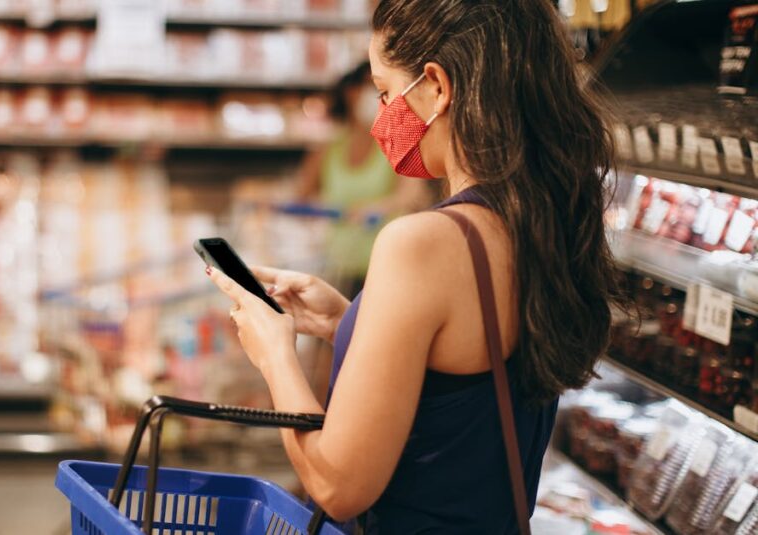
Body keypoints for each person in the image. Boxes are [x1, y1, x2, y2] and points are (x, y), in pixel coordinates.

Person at [207, 0, 629, 533]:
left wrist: (275, 353)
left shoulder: (423, 243)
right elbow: (462, 382)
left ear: (435, 85)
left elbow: (339, 485)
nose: (381, 117)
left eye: (385, 92)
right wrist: (352, 323)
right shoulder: (539, 223)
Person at [296, 62, 437, 297]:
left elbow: (413, 195)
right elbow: (301, 197)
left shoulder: (397, 145)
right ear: (350, 92)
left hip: (387, 271)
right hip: (339, 270)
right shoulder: (329, 149)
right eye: (376, 89)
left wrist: (374, 208)